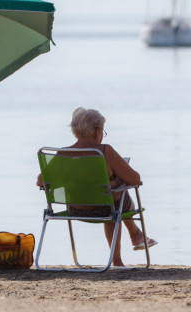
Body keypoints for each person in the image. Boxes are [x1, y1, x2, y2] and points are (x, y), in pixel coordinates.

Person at [36, 107, 157, 267]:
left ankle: (134, 237)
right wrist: (118, 181)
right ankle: (121, 255)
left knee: (112, 192)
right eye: (103, 131)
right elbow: (135, 179)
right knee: (116, 193)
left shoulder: (62, 154)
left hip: (75, 209)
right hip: (105, 210)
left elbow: (40, 181)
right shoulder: (104, 151)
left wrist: (73, 180)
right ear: (97, 130)